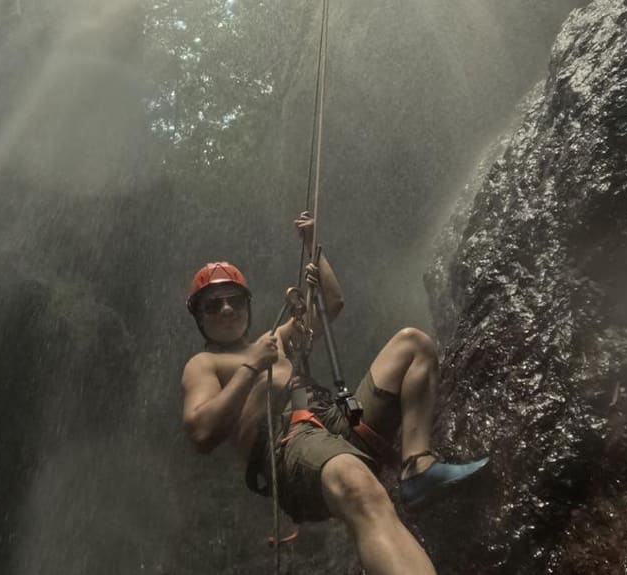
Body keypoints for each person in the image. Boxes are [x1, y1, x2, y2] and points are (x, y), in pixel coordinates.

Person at [180, 213, 488, 575]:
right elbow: (201, 431)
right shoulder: (205, 363)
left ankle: (417, 466)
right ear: (200, 317)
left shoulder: (275, 340)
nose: (227, 309)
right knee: (357, 484)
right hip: (288, 446)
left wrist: (313, 244)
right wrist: (251, 368)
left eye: (234, 299)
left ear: (247, 304)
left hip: (334, 419)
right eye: (213, 305)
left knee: (413, 344)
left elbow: (331, 302)